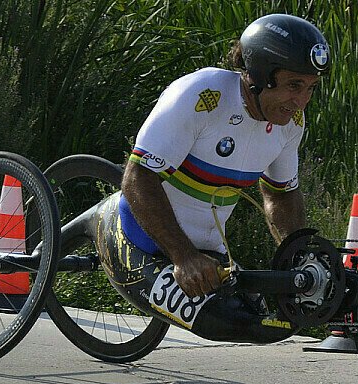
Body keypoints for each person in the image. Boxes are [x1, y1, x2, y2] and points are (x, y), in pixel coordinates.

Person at [75, 13, 331, 343]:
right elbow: (138, 178)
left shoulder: (290, 124)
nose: (302, 101)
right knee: (228, 326)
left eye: (310, 88)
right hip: (141, 239)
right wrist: (183, 258)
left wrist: (301, 261)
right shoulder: (202, 95)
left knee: (279, 323)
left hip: (206, 253)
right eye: (294, 85)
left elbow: (280, 196)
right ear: (261, 74)